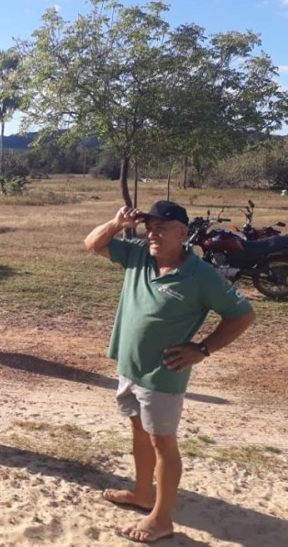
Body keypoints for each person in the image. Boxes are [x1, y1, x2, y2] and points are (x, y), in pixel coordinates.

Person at [84, 200, 256, 543]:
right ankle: (142, 494)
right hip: (129, 367)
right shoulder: (138, 254)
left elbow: (243, 314)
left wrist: (202, 349)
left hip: (163, 374)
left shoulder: (201, 275)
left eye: (161, 228)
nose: (152, 234)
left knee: (163, 442)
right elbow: (93, 244)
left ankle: (162, 519)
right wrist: (118, 223)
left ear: (182, 233)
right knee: (139, 432)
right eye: (150, 227)